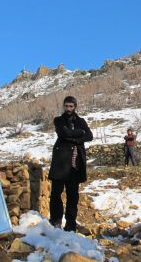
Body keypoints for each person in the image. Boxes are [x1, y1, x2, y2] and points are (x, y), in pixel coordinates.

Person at [48, 96, 93, 232]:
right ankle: (56, 221)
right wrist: (80, 134)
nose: (68, 109)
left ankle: (71, 224)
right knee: (56, 193)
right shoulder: (58, 120)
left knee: (73, 196)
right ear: (64, 106)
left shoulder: (81, 121)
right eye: (66, 106)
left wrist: (73, 136)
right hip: (61, 163)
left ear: (75, 107)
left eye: (71, 106)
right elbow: (64, 133)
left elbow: (90, 136)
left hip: (75, 164)